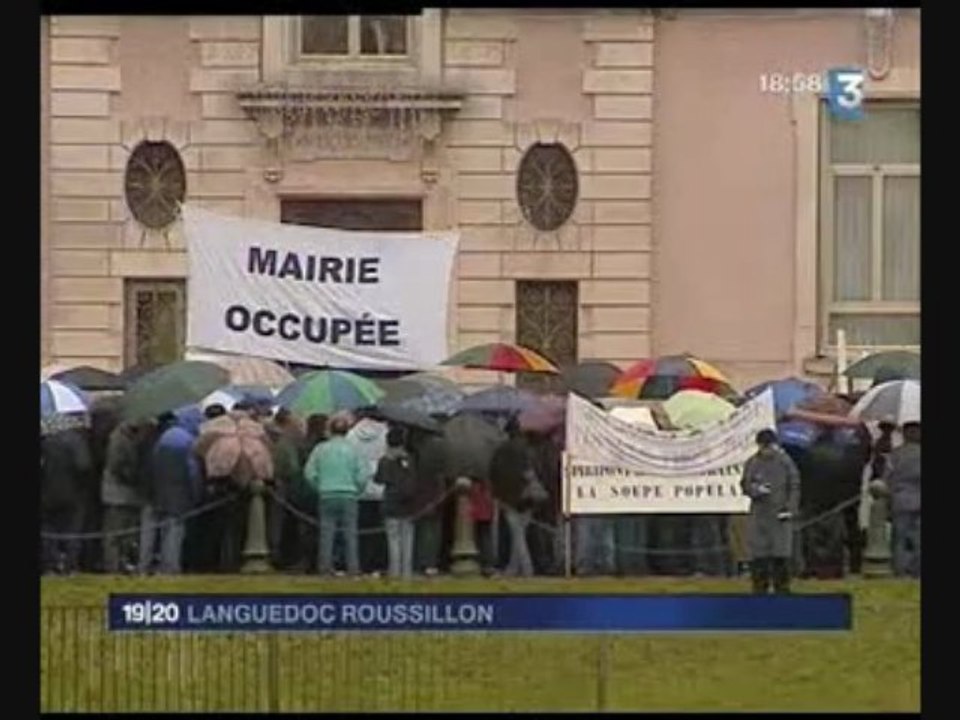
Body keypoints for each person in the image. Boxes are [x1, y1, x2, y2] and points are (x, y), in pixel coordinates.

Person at [139, 411, 203, 575]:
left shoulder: (161, 438)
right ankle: (170, 568)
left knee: (148, 533)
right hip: (178, 494)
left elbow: (148, 466)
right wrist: (196, 495)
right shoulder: (189, 441)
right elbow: (192, 473)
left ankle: (143, 566)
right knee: (173, 533)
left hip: (154, 492)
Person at [740, 428, 801, 594]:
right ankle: (759, 592)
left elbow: (794, 486)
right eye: (763, 447)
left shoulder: (785, 462)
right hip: (759, 517)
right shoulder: (752, 462)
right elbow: (745, 484)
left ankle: (783, 592)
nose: (766, 451)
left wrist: (790, 509)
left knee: (780, 558)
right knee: (759, 558)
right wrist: (756, 489)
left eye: (769, 447)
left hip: (780, 517)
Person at [304, 416, 366, 576]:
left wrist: (319, 486)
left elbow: (309, 473)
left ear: (330, 430)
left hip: (327, 494)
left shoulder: (320, 449)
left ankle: (325, 568)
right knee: (350, 534)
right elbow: (363, 475)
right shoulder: (354, 450)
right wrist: (357, 489)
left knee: (327, 534)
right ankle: (353, 568)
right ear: (347, 431)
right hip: (349, 495)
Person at [40, 420, 93, 574]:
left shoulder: (46, 442)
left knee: (49, 532)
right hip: (73, 494)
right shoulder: (76, 441)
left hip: (47, 494)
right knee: (72, 532)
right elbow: (84, 466)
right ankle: (70, 566)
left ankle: (51, 565)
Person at [489, 417, 538, 577]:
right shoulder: (529, 450)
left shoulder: (501, 451)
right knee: (520, 533)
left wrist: (497, 494)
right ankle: (514, 568)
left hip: (508, 498)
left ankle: (526, 568)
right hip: (528, 497)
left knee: (517, 536)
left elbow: (494, 473)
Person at [374, 425, 418, 579]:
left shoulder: (385, 461)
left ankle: (394, 571)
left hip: (390, 504)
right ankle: (407, 572)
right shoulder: (410, 460)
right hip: (408, 505)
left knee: (393, 540)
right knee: (408, 540)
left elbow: (378, 479)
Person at [100, 420, 145, 574]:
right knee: (113, 535)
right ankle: (112, 567)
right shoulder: (118, 438)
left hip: (127, 495)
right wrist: (135, 476)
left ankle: (122, 565)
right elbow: (117, 466)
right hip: (117, 494)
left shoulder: (131, 437)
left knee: (126, 535)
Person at [265, 408, 305, 569]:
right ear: (287, 423)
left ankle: (276, 551)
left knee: (275, 521)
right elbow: (293, 467)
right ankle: (280, 555)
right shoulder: (285, 442)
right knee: (280, 522)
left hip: (273, 484)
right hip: (283, 486)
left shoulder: (268, 438)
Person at [408, 426, 449, 576]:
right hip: (437, 490)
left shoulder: (416, 449)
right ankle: (431, 563)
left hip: (420, 491)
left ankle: (419, 562)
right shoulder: (442, 446)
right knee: (435, 530)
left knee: (421, 529)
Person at [883, 421, 920, 578]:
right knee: (918, 538)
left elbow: (887, 479)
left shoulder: (895, 455)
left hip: (900, 500)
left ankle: (900, 570)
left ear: (904, 434)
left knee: (899, 539)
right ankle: (916, 570)